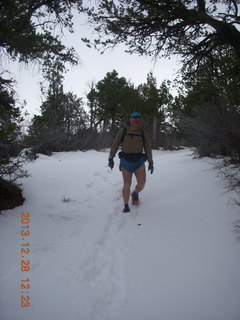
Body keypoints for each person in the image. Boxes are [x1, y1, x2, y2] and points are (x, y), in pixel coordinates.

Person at [108, 112, 154, 212]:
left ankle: (135, 194)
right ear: (130, 120)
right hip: (126, 161)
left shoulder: (143, 133)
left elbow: (147, 148)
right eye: (133, 118)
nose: (135, 121)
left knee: (141, 185)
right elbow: (115, 144)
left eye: (138, 119)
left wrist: (151, 162)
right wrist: (111, 157)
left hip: (139, 162)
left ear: (140, 121)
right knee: (127, 185)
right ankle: (126, 205)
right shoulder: (123, 131)